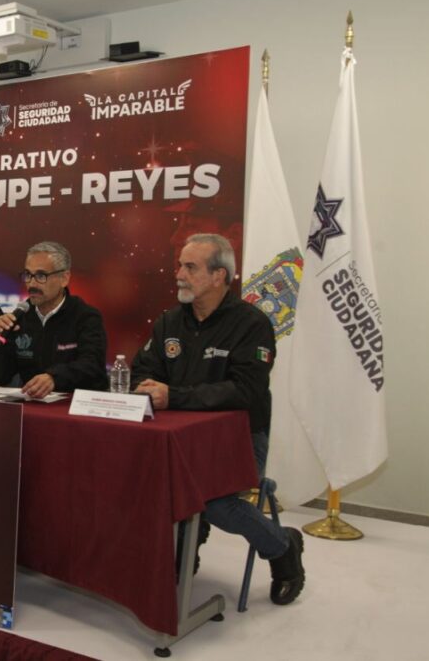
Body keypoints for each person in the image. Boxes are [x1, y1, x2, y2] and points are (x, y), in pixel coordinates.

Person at [131, 233, 305, 605]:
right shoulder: (169, 321)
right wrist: (145, 387)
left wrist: (174, 396)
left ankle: (283, 547)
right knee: (144, 482)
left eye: (190, 267)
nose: (179, 274)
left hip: (240, 438)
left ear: (218, 276)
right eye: (180, 265)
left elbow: (245, 391)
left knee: (214, 502)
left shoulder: (252, 324)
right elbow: (142, 369)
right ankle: (186, 544)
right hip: (178, 437)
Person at [0, 241, 107, 397]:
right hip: (31, 405)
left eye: (41, 275)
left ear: (64, 278)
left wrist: (54, 378)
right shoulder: (20, 316)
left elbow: (92, 366)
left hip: (75, 405)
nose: (31, 283)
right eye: (28, 275)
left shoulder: (86, 316)